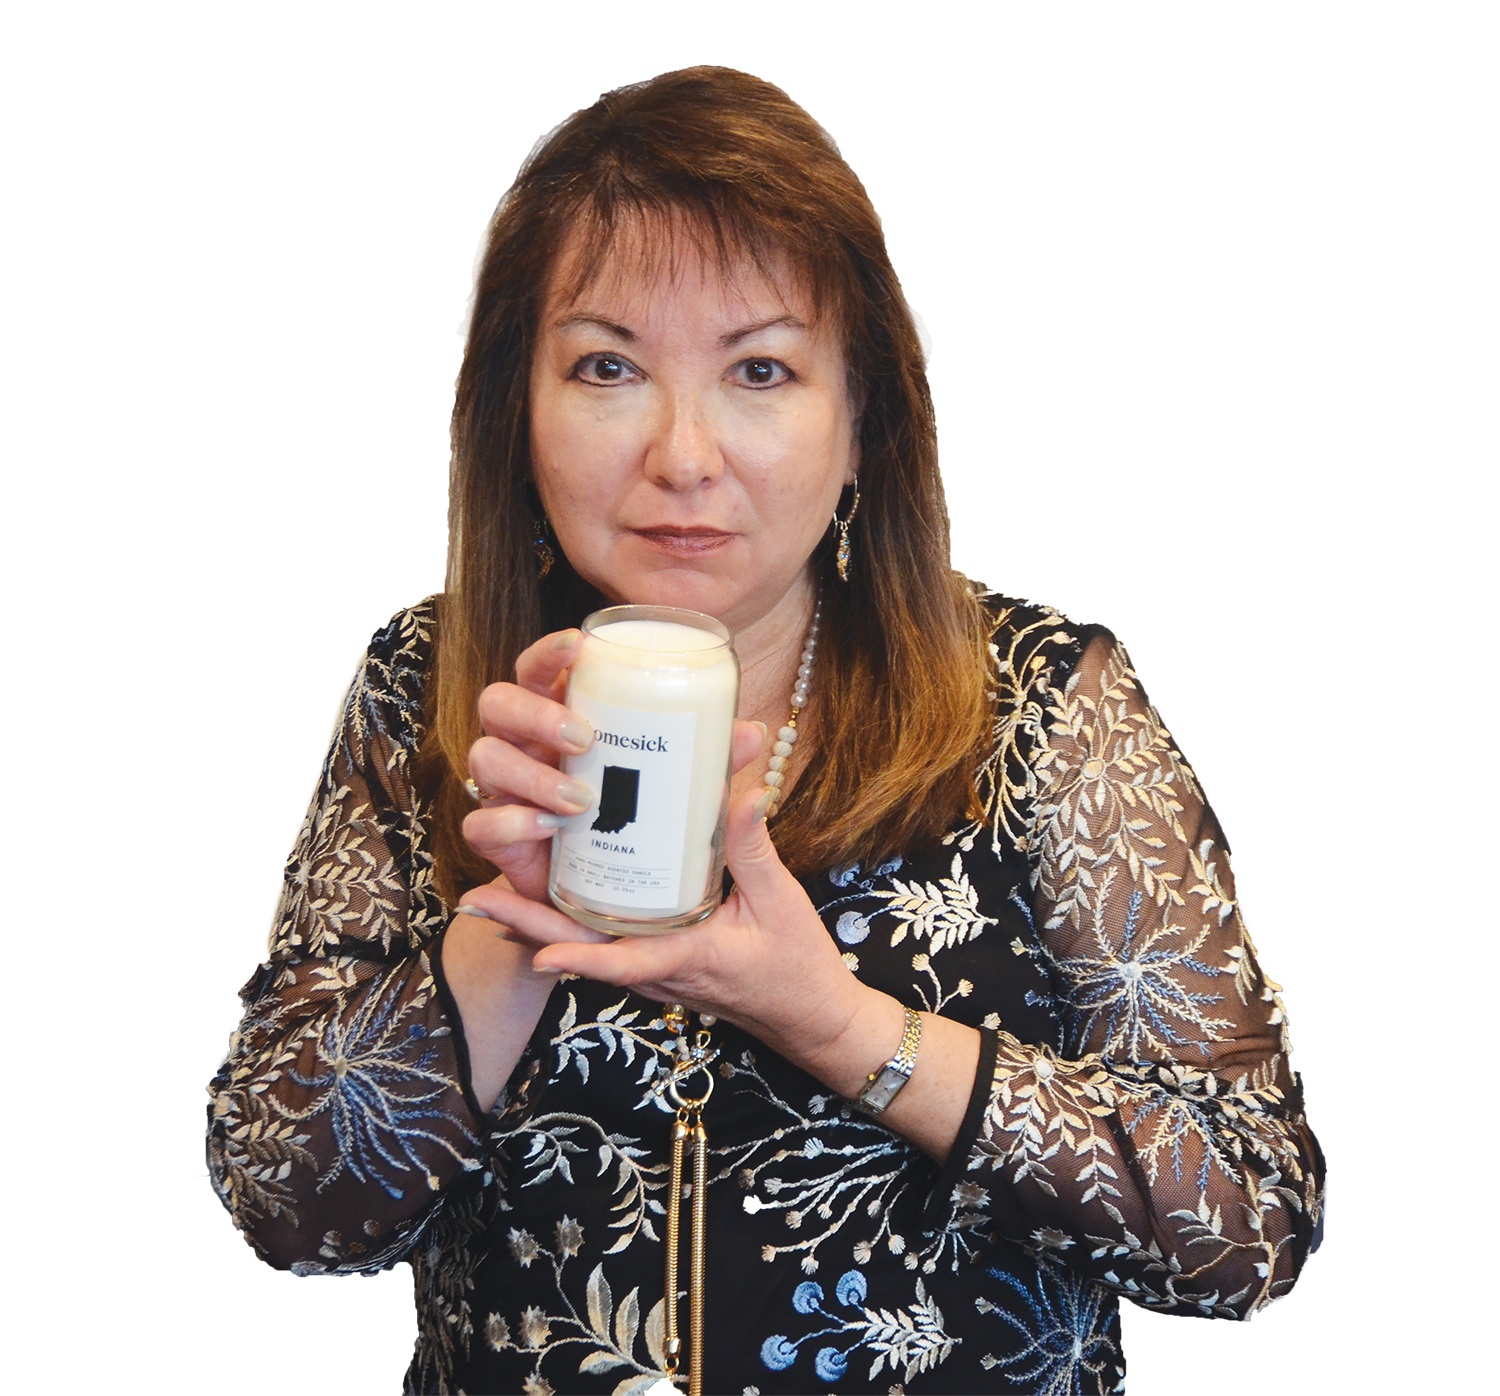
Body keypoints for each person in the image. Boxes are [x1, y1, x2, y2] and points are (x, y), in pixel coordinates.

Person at [208, 67, 1325, 1396]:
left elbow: (1250, 1225)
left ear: (860, 423)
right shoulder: (427, 690)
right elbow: (289, 1215)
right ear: (519, 413)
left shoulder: (1039, 702)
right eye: (609, 366)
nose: (684, 455)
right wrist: (501, 941)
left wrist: (843, 1027)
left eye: (760, 370)